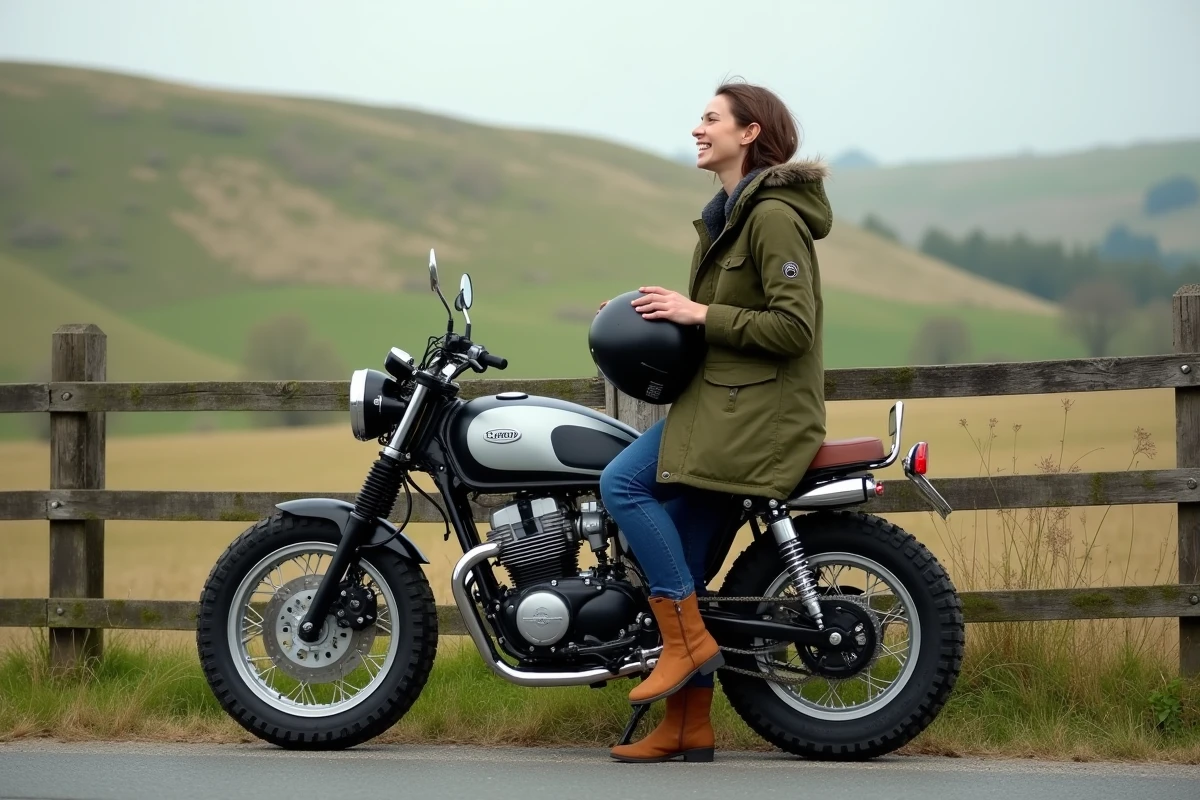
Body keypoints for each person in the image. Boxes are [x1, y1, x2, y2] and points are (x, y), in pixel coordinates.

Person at [598, 79, 833, 763]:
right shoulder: (728, 215)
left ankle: (687, 641)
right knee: (692, 563)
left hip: (753, 415)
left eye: (711, 119)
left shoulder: (771, 217)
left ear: (750, 132)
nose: (697, 129)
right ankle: (687, 728)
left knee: (623, 485)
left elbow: (793, 327)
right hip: (724, 404)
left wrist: (696, 313)